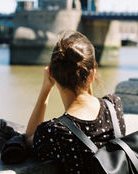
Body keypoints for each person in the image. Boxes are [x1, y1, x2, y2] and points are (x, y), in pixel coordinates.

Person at [25, 31, 126, 173]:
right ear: (92, 75)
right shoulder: (114, 105)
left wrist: (45, 90)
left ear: (52, 75)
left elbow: (29, 137)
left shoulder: (55, 131)